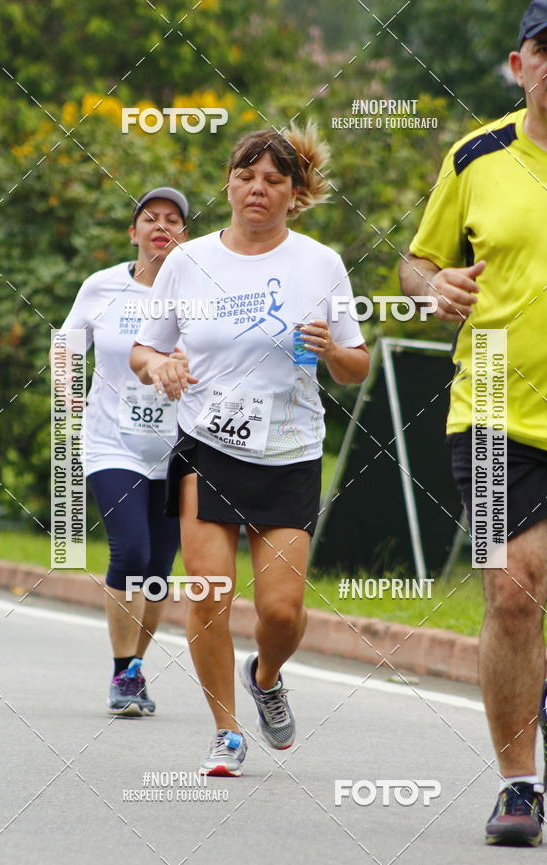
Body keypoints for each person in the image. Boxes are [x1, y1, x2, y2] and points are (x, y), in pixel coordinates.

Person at [130, 124, 369, 775]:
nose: (257, 189)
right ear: (229, 183)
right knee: (207, 593)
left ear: (294, 194)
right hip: (206, 446)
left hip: (290, 450)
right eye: (246, 176)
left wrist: (332, 351)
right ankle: (226, 732)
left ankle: (266, 675)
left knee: (282, 611)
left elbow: (357, 366)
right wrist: (161, 370)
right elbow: (144, 347)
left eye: (273, 180)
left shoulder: (320, 263)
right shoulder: (189, 260)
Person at [399, 0, 547, 846]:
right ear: (519, 66)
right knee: (514, 592)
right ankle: (516, 787)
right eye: (546, 49)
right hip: (496, 405)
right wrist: (432, 289)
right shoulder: (477, 155)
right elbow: (417, 261)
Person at [58, 187, 189, 716]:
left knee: (158, 568)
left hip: (180, 449)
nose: (161, 226)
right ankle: (121, 672)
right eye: (150, 219)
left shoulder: (200, 292)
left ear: (186, 235)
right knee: (130, 553)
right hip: (111, 442)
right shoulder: (102, 286)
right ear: (133, 232)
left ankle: (135, 671)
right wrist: (66, 399)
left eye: (174, 220)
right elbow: (67, 346)